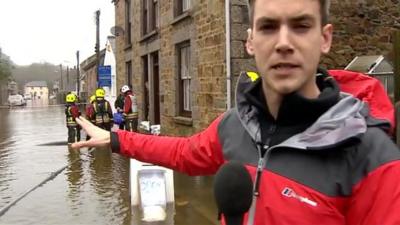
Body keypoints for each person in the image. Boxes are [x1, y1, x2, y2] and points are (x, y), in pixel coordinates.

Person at [72, 0, 400, 224]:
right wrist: (116, 139)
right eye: (269, 27)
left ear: (325, 39)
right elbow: (184, 153)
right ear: (251, 42)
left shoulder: (371, 155)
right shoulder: (237, 123)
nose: (284, 42)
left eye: (300, 26)